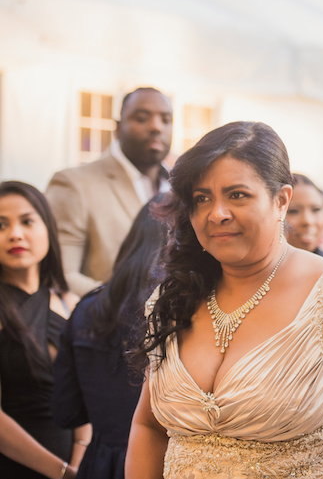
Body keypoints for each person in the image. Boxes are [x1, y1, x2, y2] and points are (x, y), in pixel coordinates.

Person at [125, 121, 323, 479]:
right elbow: (149, 426)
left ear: (282, 200)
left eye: (237, 195)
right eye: (202, 198)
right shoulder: (176, 297)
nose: (216, 212)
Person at [51, 198, 166, 479]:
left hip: (100, 464)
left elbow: (66, 412)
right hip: (162, 464)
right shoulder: (186, 309)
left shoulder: (87, 307)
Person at [46, 88, 173, 296]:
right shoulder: (74, 184)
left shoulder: (180, 189)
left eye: (166, 120)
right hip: (108, 323)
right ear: (117, 128)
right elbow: (61, 274)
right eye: (142, 118)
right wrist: (119, 306)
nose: (156, 127)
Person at [0, 181, 88, 479]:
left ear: (47, 227)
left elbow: (85, 398)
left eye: (27, 221)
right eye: (1, 225)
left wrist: (80, 462)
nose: (15, 234)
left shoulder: (71, 303)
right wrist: (61, 472)